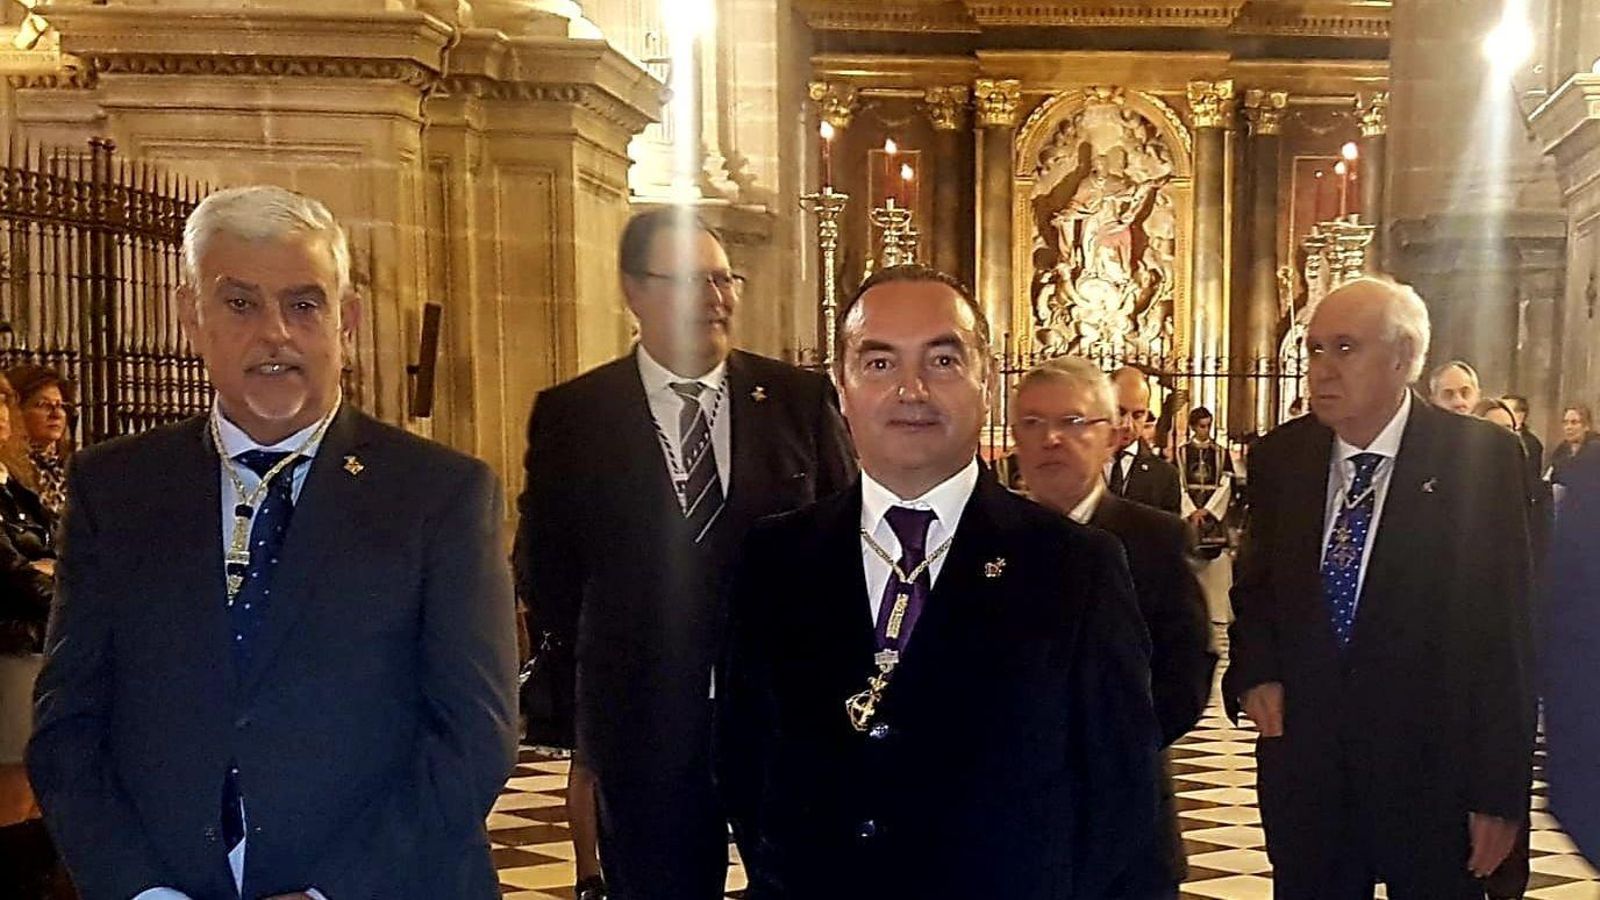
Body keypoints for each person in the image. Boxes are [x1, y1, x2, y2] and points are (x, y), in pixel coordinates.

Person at [26, 185, 519, 900]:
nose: (276, 334)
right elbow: (67, 726)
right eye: (240, 304)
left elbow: (474, 736)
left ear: (346, 322)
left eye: (303, 303)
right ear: (189, 317)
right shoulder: (117, 489)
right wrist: (143, 891)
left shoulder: (438, 494)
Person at [717, 265, 1160, 899]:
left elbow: (1119, 798)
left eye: (944, 360)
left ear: (987, 384)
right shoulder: (776, 558)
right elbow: (742, 758)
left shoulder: (1073, 567)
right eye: (879, 364)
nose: (911, 389)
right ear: (842, 389)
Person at [514, 208, 856, 900]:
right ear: (636, 292)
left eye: (725, 279)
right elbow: (548, 567)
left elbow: (844, 540)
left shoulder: (795, 398)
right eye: (695, 281)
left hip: (781, 717)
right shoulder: (576, 415)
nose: (718, 298)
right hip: (643, 725)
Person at [1225, 275, 1535, 899]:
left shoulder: (1482, 460)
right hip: (1309, 773)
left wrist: (1499, 795)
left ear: (1401, 359)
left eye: (1345, 348)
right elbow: (1256, 589)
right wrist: (1256, 672)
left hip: (1433, 775)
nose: (1322, 369)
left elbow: (1508, 635)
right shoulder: (1282, 459)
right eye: (1314, 350)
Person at [1009, 355, 1214, 899]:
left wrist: (1109, 748)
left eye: (1072, 422)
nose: (1051, 438)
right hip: (1010, 828)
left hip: (1125, 821)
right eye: (1032, 423)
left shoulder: (1154, 539)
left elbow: (1186, 670)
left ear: (1110, 436)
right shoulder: (983, 541)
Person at [0, 371, 65, 900]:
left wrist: (53, 574)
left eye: (2, 399)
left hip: (37, 644)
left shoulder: (17, 488)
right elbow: (13, 574)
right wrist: (54, 587)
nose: (1, 412)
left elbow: (61, 557)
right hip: (8, 649)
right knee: (13, 790)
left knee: (40, 789)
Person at [1107, 366, 1182, 515]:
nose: (1127, 425)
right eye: (1120, 412)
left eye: (1137, 415)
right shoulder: (1079, 465)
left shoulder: (1166, 477)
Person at [4, 366, 73, 518]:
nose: (56, 414)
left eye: (60, 406)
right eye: (43, 405)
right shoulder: (9, 472)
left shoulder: (70, 469)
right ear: (16, 412)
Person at [1175, 406, 1234, 558]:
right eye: (1202, 426)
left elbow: (1225, 484)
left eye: (1209, 426)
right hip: (1190, 508)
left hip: (1212, 511)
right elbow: (1178, 483)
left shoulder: (1220, 452)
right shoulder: (1182, 452)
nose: (1206, 430)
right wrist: (1191, 510)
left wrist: (1208, 509)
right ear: (1193, 427)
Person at [1548, 404, 1600, 487]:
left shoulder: (1595, 450)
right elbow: (1551, 477)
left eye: (1574, 422)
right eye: (1565, 422)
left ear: (1586, 426)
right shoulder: (1562, 450)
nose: (1568, 427)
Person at [1503, 394, 1545, 487]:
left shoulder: (1531, 443)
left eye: (1506, 410)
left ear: (1521, 415)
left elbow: (1531, 479)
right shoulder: (1491, 436)